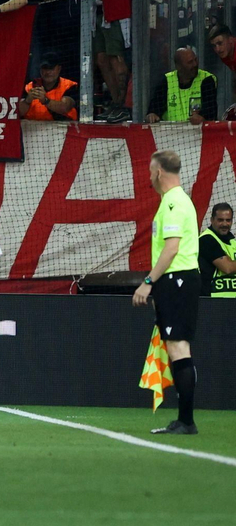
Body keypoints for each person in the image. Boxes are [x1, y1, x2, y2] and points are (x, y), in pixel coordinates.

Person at [132, 150, 199, 435]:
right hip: (178, 280)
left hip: (177, 278)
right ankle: (184, 419)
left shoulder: (173, 202)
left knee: (178, 347)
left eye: (150, 170)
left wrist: (148, 281)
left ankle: (186, 421)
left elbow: (171, 248)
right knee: (178, 348)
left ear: (159, 172)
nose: (148, 176)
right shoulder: (175, 200)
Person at [146, 47, 216, 124]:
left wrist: (203, 118)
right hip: (171, 133)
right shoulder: (166, 81)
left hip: (199, 132)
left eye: (195, 60)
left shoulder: (206, 79)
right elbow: (155, 107)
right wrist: (152, 115)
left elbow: (211, 111)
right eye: (190, 62)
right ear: (179, 67)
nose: (195, 64)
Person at [199, 202, 236, 300]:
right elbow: (227, 267)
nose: (224, 224)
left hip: (231, 302)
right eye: (220, 220)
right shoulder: (206, 240)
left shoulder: (232, 241)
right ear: (212, 220)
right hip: (212, 302)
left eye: (228, 220)